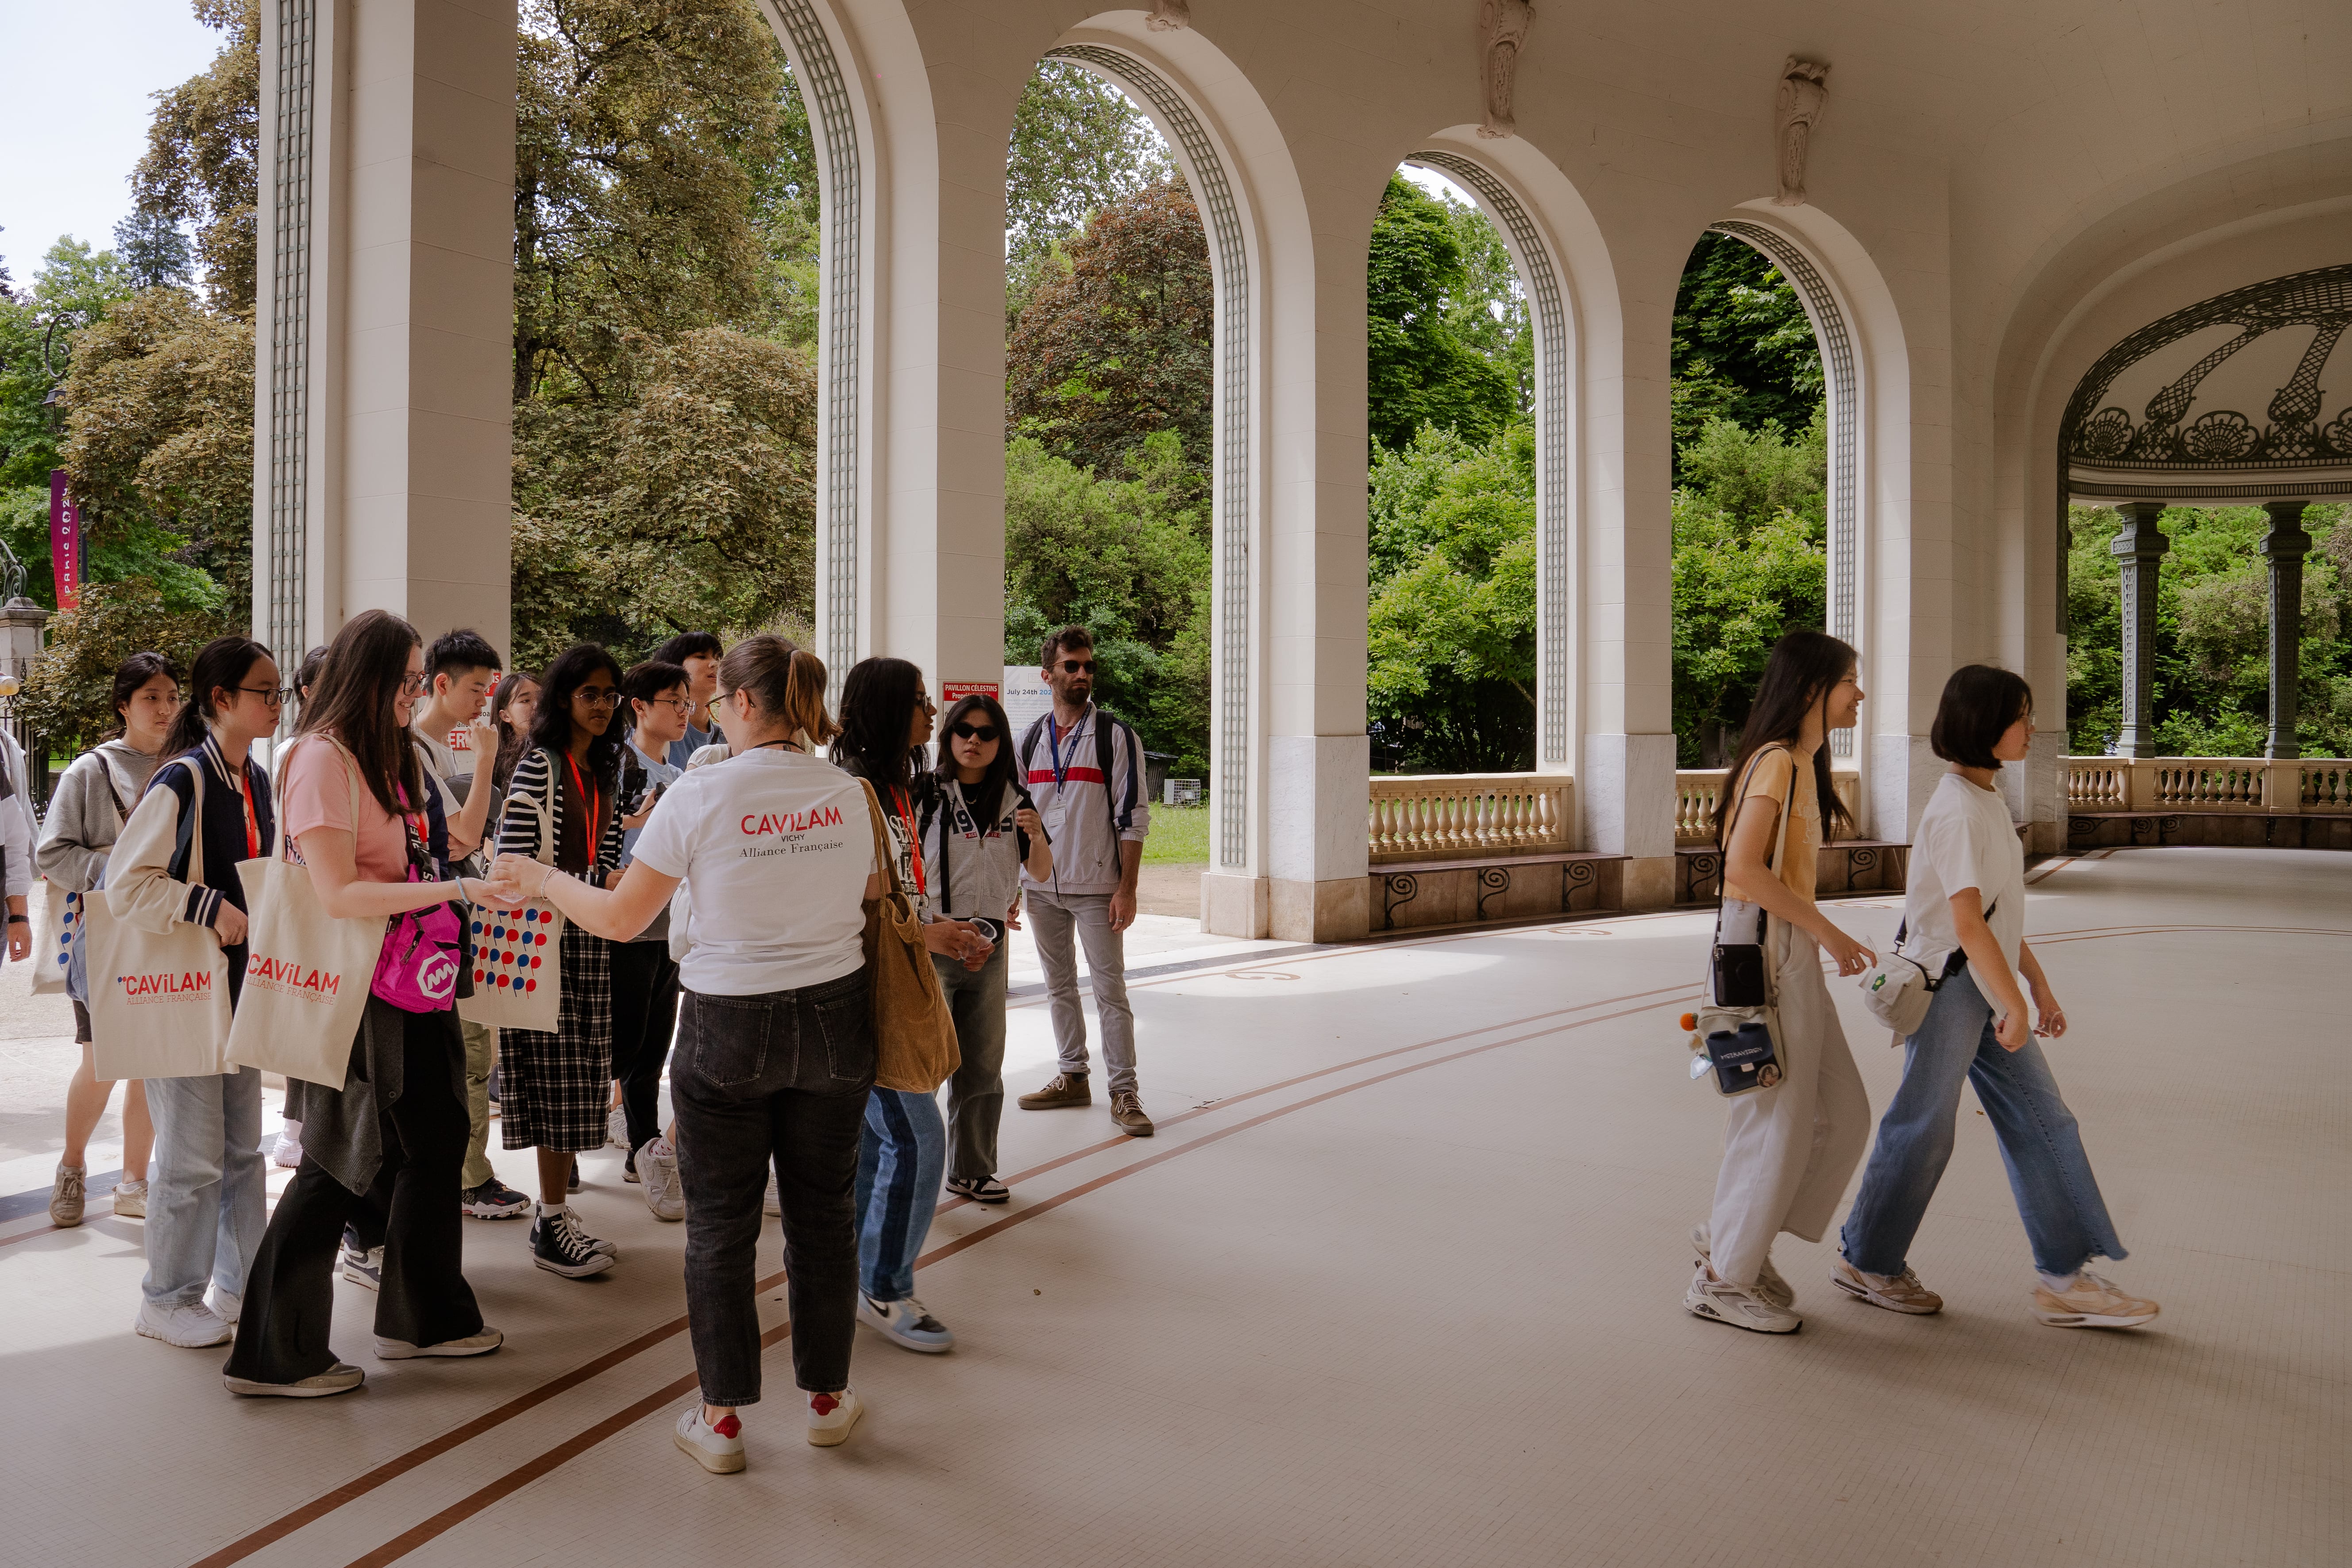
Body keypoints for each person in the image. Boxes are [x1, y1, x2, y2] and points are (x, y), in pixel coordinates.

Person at [491, 635, 878, 1468]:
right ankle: (827, 1397)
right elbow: (872, 892)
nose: (708, 715)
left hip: (727, 1018)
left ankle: (723, 1418)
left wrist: (539, 878)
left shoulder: (701, 793)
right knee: (824, 1216)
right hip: (836, 1018)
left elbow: (622, 917)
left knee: (720, 1224)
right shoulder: (850, 793)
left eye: (716, 703)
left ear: (744, 703)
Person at [224, 609, 506, 1396]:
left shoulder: (394, 752)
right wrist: (455, 891)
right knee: (340, 1158)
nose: (418, 693)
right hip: (357, 987)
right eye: (408, 680)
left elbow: (441, 844)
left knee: (437, 1135)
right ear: (370, 678)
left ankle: (425, 1318)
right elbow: (338, 893)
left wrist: (460, 873)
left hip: (413, 976)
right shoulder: (320, 757)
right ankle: (271, 1353)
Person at [1836, 666, 2158, 1329]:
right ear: (1982, 724)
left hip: (1982, 983)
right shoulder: (1957, 808)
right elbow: (1965, 923)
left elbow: (1996, 913)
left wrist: (2034, 985)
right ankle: (1867, 1259)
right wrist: (2012, 1001)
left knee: (2044, 1121)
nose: (2030, 729)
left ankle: (2063, 1278)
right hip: (1951, 988)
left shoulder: (1984, 799)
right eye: (2019, 716)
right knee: (1923, 1128)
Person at [1684, 630, 1875, 1335]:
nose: (1859, 694)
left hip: (1782, 946)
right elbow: (1741, 868)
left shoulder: (1798, 763)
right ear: (1811, 689)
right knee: (1775, 1118)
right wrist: (1827, 931)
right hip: (1766, 948)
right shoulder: (1775, 762)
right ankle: (1722, 1277)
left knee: (1843, 1113)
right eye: (1849, 681)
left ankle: (1735, 1235)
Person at [106, 637, 280, 1348]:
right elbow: (125, 883)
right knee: (192, 1158)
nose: (277, 703)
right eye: (265, 691)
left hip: (237, 993)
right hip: (185, 995)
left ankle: (239, 1284)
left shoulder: (253, 777)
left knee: (242, 1151)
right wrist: (206, 905)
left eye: (279, 692)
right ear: (222, 699)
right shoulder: (185, 777)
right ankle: (167, 1296)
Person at [833, 658, 993, 1354]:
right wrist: (926, 934)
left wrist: (942, 930)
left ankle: (859, 1274)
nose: (933, 713)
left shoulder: (896, 788)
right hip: (863, 991)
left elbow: (900, 893)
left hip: (895, 980)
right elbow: (846, 903)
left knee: (880, 1140)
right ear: (887, 709)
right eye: (920, 701)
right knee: (919, 1138)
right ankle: (885, 1285)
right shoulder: (851, 791)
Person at [494, 643, 629, 1277]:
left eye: (609, 694)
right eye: (588, 694)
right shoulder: (539, 765)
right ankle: (550, 1222)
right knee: (557, 1082)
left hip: (588, 937)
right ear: (563, 699)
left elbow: (604, 858)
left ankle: (554, 1217)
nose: (601, 705)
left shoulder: (603, 768)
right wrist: (595, 883)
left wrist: (610, 880)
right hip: (545, 943)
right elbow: (515, 864)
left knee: (581, 1082)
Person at [39, 652, 178, 1225]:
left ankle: (133, 1181)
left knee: (148, 1062)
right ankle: (72, 1167)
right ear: (123, 705)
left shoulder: (186, 764)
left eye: (172, 696)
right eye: (151, 697)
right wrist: (117, 871)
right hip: (104, 934)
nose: (165, 708)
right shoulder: (90, 770)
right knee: (101, 1061)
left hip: (165, 930)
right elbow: (52, 853)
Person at [408, 629, 532, 1222]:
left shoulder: (431, 749)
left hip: (447, 914)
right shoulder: (416, 749)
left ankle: (467, 1174)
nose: (485, 700)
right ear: (441, 683)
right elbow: (463, 834)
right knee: (467, 1053)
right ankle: (469, 1180)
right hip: (431, 922)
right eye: (478, 689)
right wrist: (485, 761)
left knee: (471, 1053)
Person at [1013, 625, 1154, 1137]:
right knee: (1058, 986)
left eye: (1088, 667)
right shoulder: (1030, 739)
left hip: (1097, 887)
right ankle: (1073, 1076)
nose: (1082, 674)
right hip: (1040, 888)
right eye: (1070, 666)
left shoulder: (1115, 736)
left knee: (1110, 990)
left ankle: (1124, 1091)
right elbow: (1016, 819)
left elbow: (1132, 818)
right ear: (1047, 675)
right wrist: (1012, 886)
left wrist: (1127, 888)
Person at [924, 694, 1051, 1203]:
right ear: (949, 736)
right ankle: (906, 1172)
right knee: (924, 1063)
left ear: (1001, 742)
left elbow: (1039, 871)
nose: (973, 740)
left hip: (989, 945)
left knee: (983, 1061)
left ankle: (973, 1169)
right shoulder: (926, 794)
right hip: (934, 941)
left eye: (986, 733)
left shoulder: (1015, 800)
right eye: (964, 730)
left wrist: (1037, 838)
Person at [610, 659, 689, 1217]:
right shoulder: (618, 767)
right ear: (639, 706)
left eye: (688, 702)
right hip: (626, 927)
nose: (684, 712)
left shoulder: (681, 777)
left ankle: (640, 1147)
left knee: (654, 1046)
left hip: (669, 929)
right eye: (674, 702)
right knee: (626, 1044)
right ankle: (638, 1145)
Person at [270, 645, 331, 1171]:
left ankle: (309, 1126)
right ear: (307, 689)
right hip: (303, 892)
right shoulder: (297, 750)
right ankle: (294, 1127)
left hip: (326, 896)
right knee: (305, 1010)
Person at [649, 632, 723, 767]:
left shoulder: (728, 738)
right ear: (673, 666)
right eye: (702, 657)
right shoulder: (655, 733)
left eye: (718, 658)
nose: (715, 664)